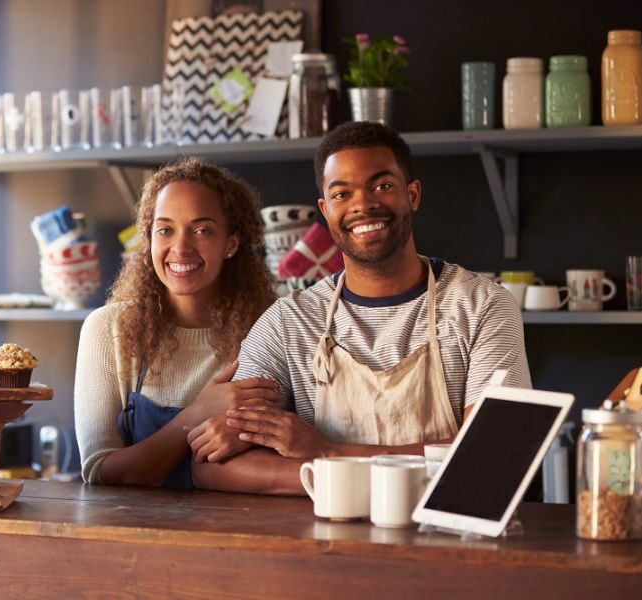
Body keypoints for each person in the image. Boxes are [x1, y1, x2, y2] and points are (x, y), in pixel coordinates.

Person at [187, 122, 532, 494]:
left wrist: (328, 453)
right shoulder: (289, 322)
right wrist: (340, 478)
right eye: (341, 193)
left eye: (382, 186)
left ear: (412, 194)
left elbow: (497, 455)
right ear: (325, 208)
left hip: (448, 541)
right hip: (322, 545)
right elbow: (212, 465)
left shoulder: (483, 307)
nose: (363, 205)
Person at [74, 157, 279, 488]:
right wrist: (198, 414)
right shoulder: (107, 329)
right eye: (165, 230)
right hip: (130, 532)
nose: (180, 248)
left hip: (235, 531)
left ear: (231, 243)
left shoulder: (269, 329)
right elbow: (100, 472)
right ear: (149, 239)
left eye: (202, 230)